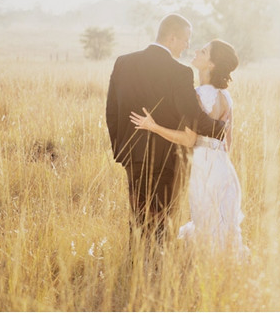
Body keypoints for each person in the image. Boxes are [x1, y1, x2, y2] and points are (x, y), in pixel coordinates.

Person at [105, 14, 225, 243]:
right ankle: (157, 271)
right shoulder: (179, 72)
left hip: (132, 155)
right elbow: (193, 117)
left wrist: (121, 149)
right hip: (166, 158)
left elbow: (111, 110)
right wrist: (221, 128)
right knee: (162, 220)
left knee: (138, 218)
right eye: (186, 39)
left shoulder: (123, 62)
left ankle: (136, 266)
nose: (188, 45)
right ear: (172, 38)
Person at [130, 39, 249, 257]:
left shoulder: (199, 95)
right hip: (224, 170)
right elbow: (228, 142)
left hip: (203, 169)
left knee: (206, 226)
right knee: (223, 229)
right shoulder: (227, 97)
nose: (197, 51)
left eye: (203, 51)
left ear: (211, 65)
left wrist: (153, 127)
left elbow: (189, 139)